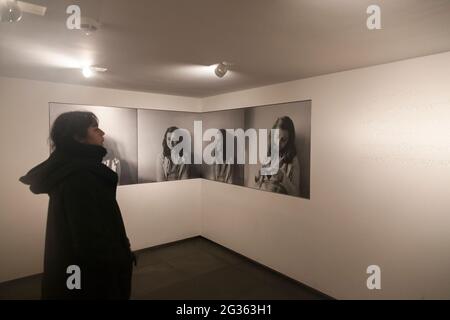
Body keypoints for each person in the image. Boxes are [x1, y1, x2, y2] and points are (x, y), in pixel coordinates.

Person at [20, 111, 135, 300]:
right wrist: (117, 262)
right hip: (93, 275)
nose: (102, 133)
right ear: (77, 136)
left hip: (75, 269)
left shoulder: (73, 170)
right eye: (95, 128)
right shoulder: (80, 176)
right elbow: (89, 237)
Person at [254, 116, 301, 196]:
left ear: (289, 141)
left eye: (283, 140)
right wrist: (258, 178)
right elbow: (258, 186)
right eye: (276, 137)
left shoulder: (293, 161)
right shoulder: (268, 155)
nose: (278, 144)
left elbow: (297, 194)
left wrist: (283, 177)